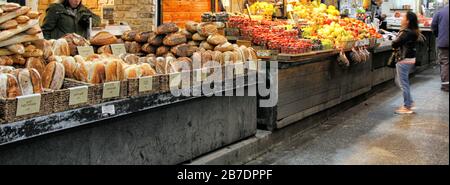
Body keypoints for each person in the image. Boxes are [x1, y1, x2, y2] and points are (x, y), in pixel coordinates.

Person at [392, 11, 423, 114]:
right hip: (410, 59)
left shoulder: (406, 32)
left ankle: (407, 106)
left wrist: (396, 37)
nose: (402, 19)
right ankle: (410, 101)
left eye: (403, 17)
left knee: (403, 83)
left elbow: (395, 43)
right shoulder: (413, 31)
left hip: (404, 59)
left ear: (408, 21)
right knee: (400, 81)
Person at [431, 5, 449, 92]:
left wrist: (438, 35)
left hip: (444, 42)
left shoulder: (440, 12)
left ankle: (446, 86)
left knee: (445, 63)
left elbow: (433, 26)